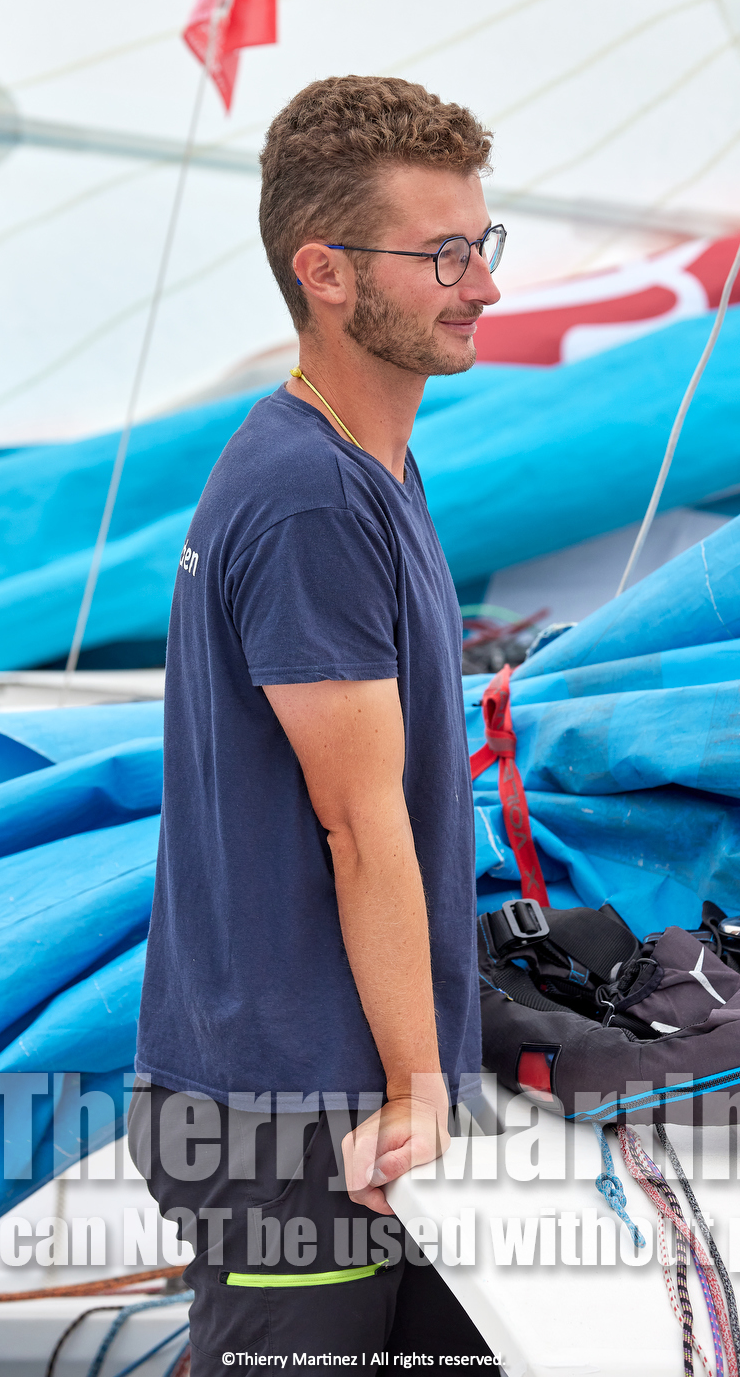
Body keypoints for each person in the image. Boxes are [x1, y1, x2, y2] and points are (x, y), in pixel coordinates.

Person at [130, 75, 506, 1371]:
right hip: (296, 1112)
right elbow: (359, 825)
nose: (482, 284)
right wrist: (416, 1088)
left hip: (348, 1089)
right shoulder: (308, 498)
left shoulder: (372, 462)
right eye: (442, 254)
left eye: (482, 243)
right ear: (326, 272)